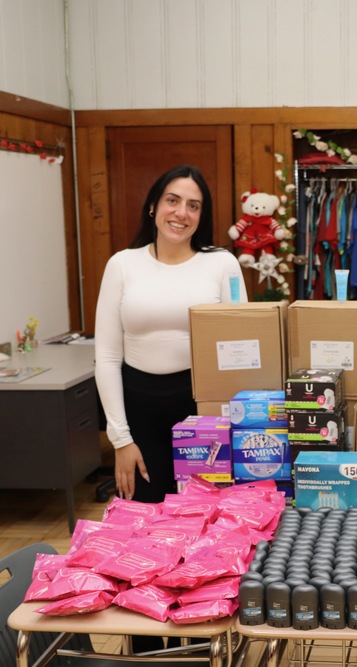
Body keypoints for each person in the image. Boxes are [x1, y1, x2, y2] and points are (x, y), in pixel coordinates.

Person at [95, 164, 247, 504]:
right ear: (153, 206)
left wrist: (235, 426)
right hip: (138, 410)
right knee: (145, 521)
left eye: (193, 205)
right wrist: (119, 439)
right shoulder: (122, 264)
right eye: (173, 201)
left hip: (201, 408)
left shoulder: (222, 264)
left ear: (201, 215)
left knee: (204, 519)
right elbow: (105, 357)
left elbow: (240, 351)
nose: (182, 213)